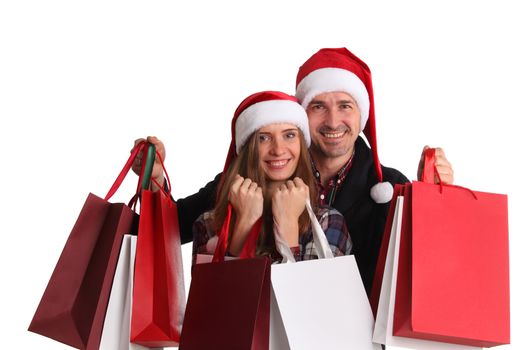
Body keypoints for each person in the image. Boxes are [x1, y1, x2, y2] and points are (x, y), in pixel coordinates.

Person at [133, 47, 453, 295]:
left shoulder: (390, 188)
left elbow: (430, 269)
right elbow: (170, 230)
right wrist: (156, 180)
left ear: (362, 116)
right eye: (318, 106)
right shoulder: (250, 179)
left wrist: (439, 199)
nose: (331, 121)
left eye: (345, 105)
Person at [189, 90, 351, 264]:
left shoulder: (326, 221)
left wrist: (288, 223)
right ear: (247, 148)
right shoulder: (208, 224)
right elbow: (218, 290)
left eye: (289, 135)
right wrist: (244, 224)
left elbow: (309, 290)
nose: (278, 150)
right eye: (264, 138)